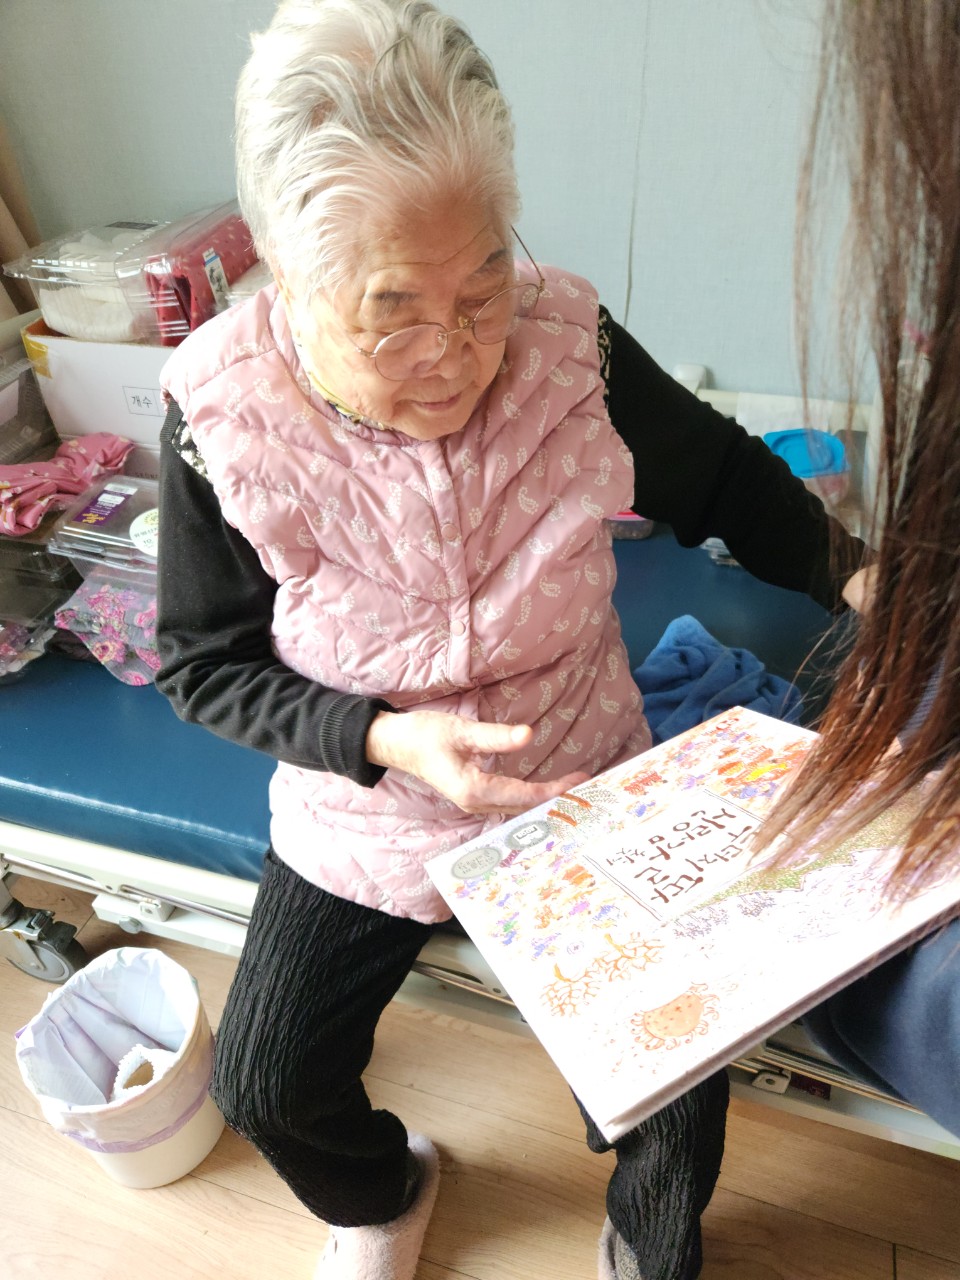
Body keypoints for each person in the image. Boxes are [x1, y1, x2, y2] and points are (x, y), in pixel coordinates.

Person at [154, 3, 861, 1277]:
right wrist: (381, 736)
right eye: (395, 314)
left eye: (483, 287)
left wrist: (853, 571)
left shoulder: (564, 344)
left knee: (672, 1064)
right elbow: (203, 666)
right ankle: (382, 1189)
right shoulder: (220, 417)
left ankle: (646, 1237)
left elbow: (725, 480)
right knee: (265, 1081)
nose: (456, 354)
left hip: (580, 767)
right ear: (287, 273)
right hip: (368, 805)